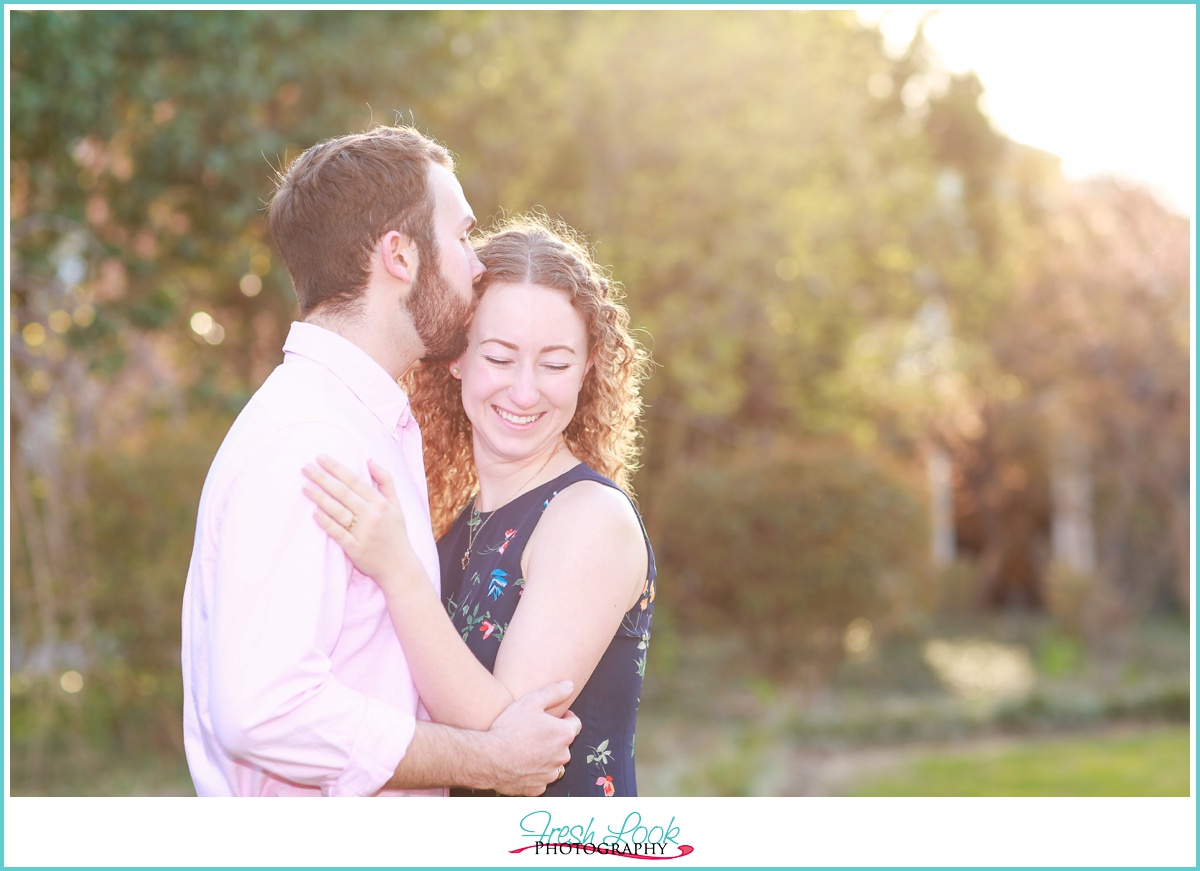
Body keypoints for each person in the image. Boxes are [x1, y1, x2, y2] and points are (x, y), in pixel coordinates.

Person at [181, 127, 580, 797]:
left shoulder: (360, 422)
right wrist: (484, 760)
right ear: (399, 254)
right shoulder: (308, 440)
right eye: (461, 236)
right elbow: (264, 709)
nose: (477, 265)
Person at [303, 214, 656, 797]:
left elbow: (502, 736)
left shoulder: (590, 518)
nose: (523, 390)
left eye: (555, 363)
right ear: (456, 356)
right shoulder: (454, 517)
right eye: (499, 357)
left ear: (588, 367)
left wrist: (397, 571)